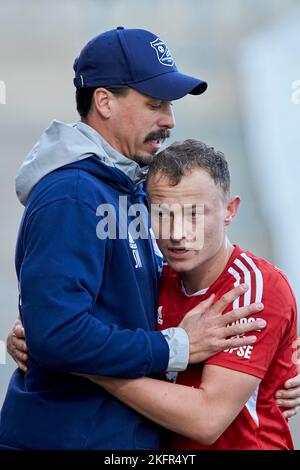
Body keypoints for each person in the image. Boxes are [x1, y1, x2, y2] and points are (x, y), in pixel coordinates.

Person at [0, 27, 266, 450]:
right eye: (154, 104)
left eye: (170, 105)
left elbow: (74, 323)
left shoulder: (132, 188)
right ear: (104, 101)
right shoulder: (73, 195)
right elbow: (57, 336)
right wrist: (174, 347)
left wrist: (262, 375)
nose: (169, 120)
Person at [81, 139, 299, 450]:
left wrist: (87, 367)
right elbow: (75, 317)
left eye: (194, 214)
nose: (177, 232)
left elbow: (206, 420)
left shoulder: (253, 288)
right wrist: (37, 327)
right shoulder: (153, 276)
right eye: (162, 214)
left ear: (230, 210)